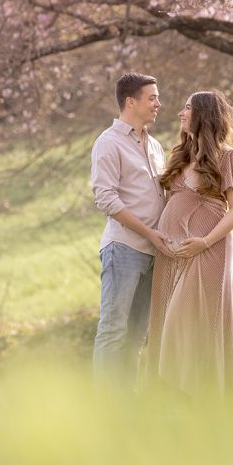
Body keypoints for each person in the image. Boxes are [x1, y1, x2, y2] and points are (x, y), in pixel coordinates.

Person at [146, 90, 233, 400]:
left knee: (187, 321)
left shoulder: (228, 156)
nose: (180, 113)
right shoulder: (181, 155)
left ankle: (199, 393)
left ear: (204, 115)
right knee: (167, 318)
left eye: (187, 108)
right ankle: (179, 397)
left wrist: (204, 241)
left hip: (207, 249)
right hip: (172, 252)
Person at [90, 72, 173, 388]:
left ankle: (125, 404)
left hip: (154, 254)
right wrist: (149, 233)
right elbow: (106, 198)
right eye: (152, 97)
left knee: (137, 334)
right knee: (113, 329)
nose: (158, 104)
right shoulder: (107, 143)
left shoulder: (155, 145)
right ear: (131, 102)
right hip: (124, 248)